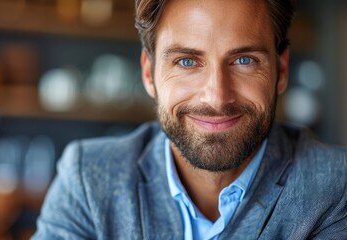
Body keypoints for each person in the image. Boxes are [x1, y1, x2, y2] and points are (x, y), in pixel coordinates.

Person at [32, 0, 347, 239]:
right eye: (186, 61)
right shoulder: (88, 178)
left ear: (280, 71)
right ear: (148, 73)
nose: (216, 97)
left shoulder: (335, 185)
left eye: (244, 60)